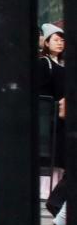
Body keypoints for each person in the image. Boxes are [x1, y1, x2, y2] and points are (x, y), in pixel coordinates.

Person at [42, 23, 67, 186]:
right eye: (56, 40)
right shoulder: (44, 63)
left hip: (64, 115)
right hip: (52, 116)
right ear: (46, 42)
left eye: (62, 40)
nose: (59, 43)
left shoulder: (64, 63)